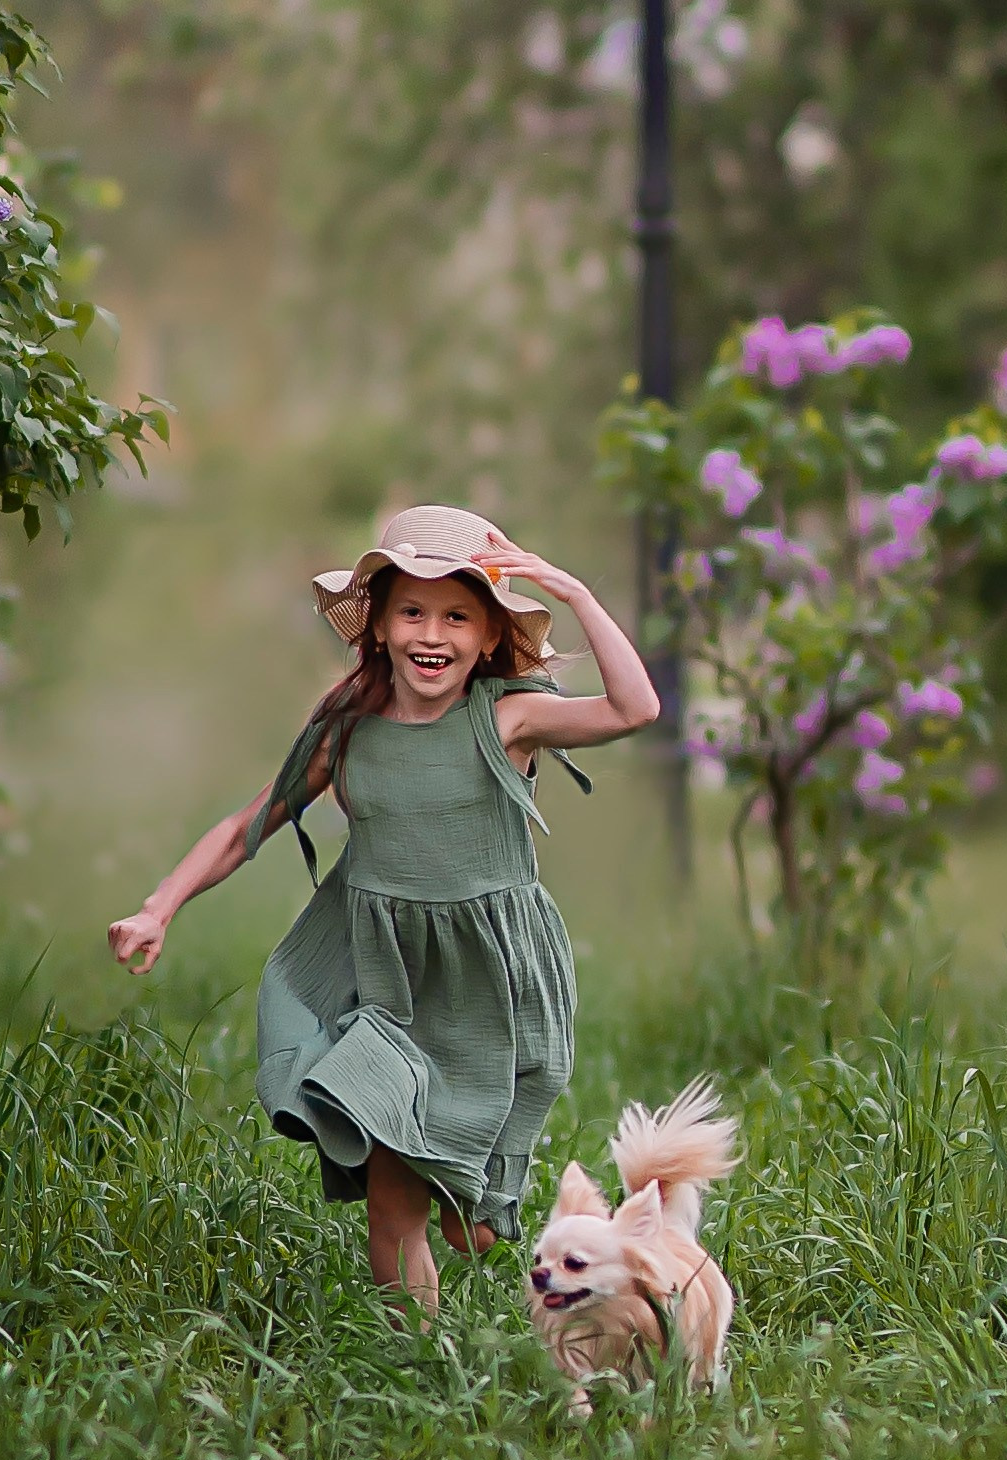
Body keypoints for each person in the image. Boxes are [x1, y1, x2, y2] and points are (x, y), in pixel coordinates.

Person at [107, 504, 660, 1317]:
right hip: (380, 980)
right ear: (378, 626)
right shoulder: (349, 733)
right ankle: (421, 1367)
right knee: (392, 1195)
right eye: (412, 611)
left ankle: (472, 1204)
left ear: (486, 635)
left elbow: (634, 709)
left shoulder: (508, 718)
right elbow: (245, 827)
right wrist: (160, 907)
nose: (431, 634)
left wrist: (572, 590)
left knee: (474, 1228)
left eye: (457, 616)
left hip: (487, 980)